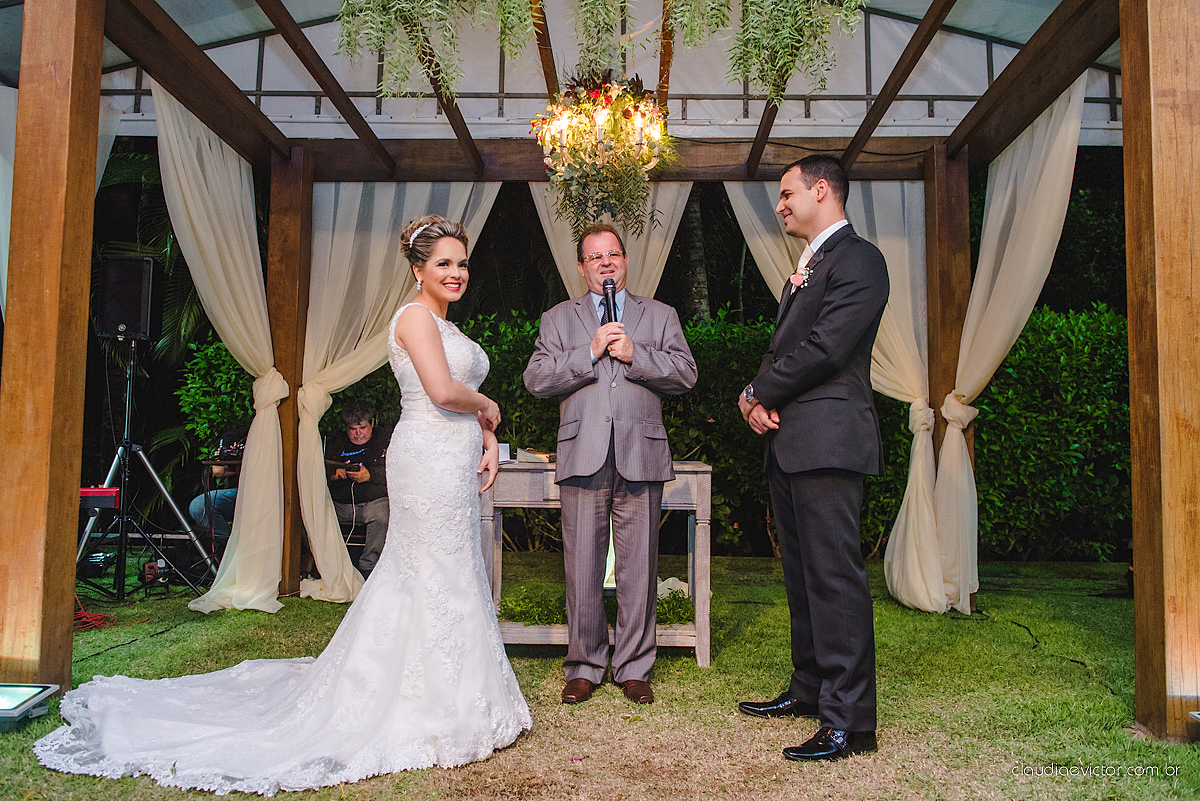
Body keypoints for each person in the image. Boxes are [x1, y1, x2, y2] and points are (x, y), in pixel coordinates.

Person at [34, 215, 531, 794]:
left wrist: (488, 438)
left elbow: (459, 400)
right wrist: (490, 407)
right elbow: (444, 392)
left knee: (451, 569)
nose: (456, 273)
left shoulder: (448, 327)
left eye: (462, 263)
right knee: (429, 568)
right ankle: (425, 700)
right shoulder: (415, 318)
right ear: (417, 269)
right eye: (443, 263)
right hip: (425, 458)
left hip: (454, 456)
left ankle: (456, 689)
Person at [736, 155, 889, 762]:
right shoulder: (811, 263)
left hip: (829, 439)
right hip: (792, 441)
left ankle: (851, 722)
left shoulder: (859, 259)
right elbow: (786, 349)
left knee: (834, 578)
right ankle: (810, 689)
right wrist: (757, 400)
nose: (780, 204)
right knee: (801, 575)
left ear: (821, 190)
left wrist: (758, 392)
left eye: (786, 192)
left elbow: (826, 349)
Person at [524, 222, 697, 706]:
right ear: (581, 267)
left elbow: (685, 373)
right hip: (583, 452)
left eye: (613, 254)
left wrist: (635, 353)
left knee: (639, 565)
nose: (605, 262)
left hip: (642, 453)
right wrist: (591, 350)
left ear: (625, 261)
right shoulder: (558, 319)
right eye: (594, 256)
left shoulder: (660, 315)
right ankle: (584, 665)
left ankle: (634, 666)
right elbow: (537, 379)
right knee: (582, 564)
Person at [325, 401, 389, 577]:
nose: (358, 433)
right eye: (353, 429)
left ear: (372, 424)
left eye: (362, 427)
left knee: (381, 515)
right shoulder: (337, 443)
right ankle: (330, 563)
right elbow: (321, 468)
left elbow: (396, 472)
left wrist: (370, 476)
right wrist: (333, 473)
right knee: (315, 513)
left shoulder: (383, 440)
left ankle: (368, 565)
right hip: (341, 502)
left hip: (372, 501)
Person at [187, 426, 247, 556]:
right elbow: (218, 470)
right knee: (200, 505)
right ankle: (225, 553)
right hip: (241, 493)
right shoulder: (236, 436)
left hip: (269, 494)